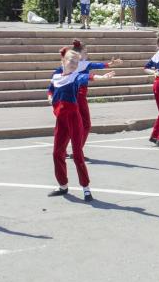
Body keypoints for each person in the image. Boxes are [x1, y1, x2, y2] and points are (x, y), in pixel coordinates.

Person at [47, 47, 115, 201]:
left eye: (76, 61)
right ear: (63, 61)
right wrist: (50, 98)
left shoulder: (76, 76)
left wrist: (103, 78)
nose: (74, 63)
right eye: (71, 60)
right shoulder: (56, 75)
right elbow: (50, 89)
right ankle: (63, 185)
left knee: (77, 154)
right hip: (61, 119)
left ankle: (86, 188)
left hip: (73, 118)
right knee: (57, 153)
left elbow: (88, 78)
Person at [51, 40, 122, 152]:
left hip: (67, 98)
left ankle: (63, 150)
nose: (87, 54)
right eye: (85, 52)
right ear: (79, 53)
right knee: (86, 125)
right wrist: (107, 68)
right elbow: (95, 67)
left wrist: (51, 96)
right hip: (79, 96)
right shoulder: (83, 63)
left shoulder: (64, 67)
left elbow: (54, 82)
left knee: (68, 125)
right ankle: (77, 150)